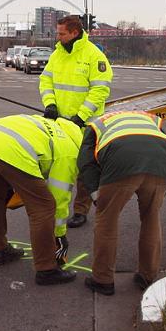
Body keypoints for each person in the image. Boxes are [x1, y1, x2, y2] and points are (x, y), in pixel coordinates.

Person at [0, 114, 83, 286]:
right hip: (10, 149)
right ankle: (47, 269)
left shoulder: (56, 127)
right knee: (43, 207)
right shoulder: (70, 153)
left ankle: (0, 248)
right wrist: (59, 236)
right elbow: (59, 199)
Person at [77, 111, 166, 295]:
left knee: (106, 219)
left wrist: (95, 196)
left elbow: (85, 162)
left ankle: (102, 279)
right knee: (151, 217)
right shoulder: (150, 118)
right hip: (163, 159)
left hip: (121, 157)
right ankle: (147, 276)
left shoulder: (95, 125)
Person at [39, 15, 113, 228]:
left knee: (84, 169)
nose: (58, 36)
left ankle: (81, 210)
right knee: (59, 164)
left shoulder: (93, 55)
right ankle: (56, 205)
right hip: (60, 122)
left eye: (62, 33)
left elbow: (100, 90)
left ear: (74, 32)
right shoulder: (57, 54)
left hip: (85, 124)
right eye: (58, 32)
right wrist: (50, 104)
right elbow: (46, 80)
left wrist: (80, 116)